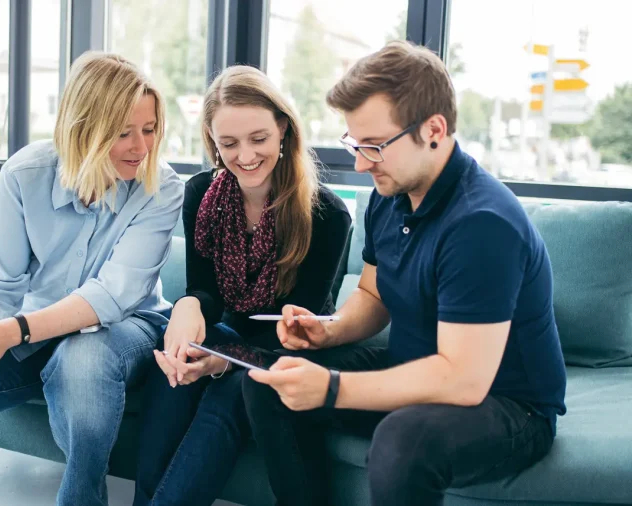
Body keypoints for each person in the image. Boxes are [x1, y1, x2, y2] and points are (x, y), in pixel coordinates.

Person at [243, 40, 568, 506]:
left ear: (433, 130)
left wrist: (332, 388)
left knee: (403, 441)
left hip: (506, 404)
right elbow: (374, 295)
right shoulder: (388, 194)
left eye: (375, 146)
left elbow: (463, 380)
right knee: (272, 380)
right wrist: (328, 330)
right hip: (414, 370)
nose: (361, 163)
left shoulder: (482, 223)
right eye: (355, 144)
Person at [0, 52, 184, 506]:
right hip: (30, 327)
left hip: (124, 328)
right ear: (83, 128)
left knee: (82, 362)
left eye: (149, 130)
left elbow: (112, 295)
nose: (141, 147)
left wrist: (9, 332)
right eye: (123, 132)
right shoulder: (25, 174)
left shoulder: (161, 188)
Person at [132, 65, 352, 506]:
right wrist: (189, 306)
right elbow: (207, 295)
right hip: (231, 333)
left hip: (292, 347)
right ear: (213, 141)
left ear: (283, 129)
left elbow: (295, 329)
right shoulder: (202, 195)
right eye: (229, 143)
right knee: (175, 361)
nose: (245, 156)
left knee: (233, 390)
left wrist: (223, 362)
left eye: (258, 138)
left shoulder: (326, 215)